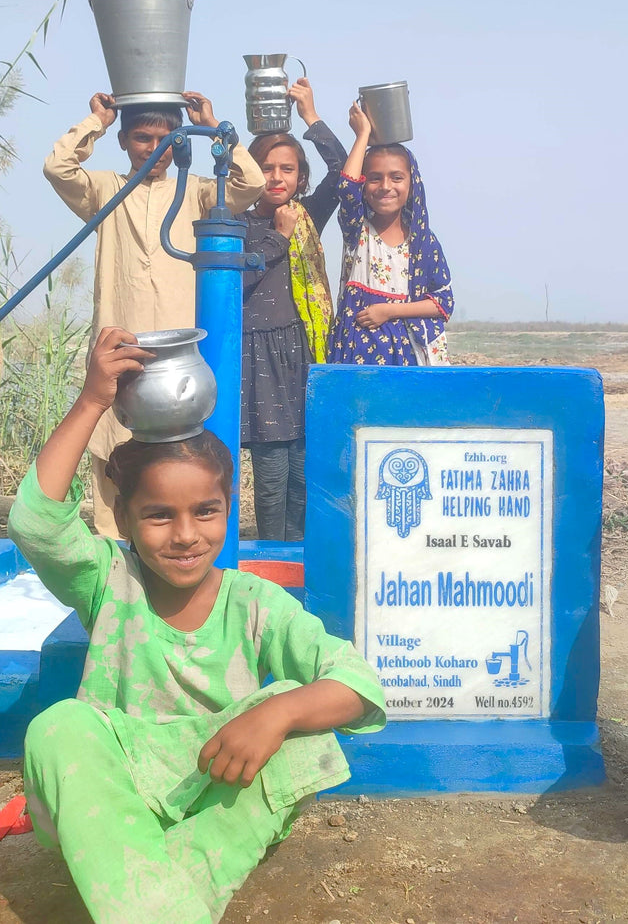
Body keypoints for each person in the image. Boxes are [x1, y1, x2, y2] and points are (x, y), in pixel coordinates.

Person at [8, 327, 385, 923]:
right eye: (158, 516)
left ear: (227, 509)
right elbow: (35, 522)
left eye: (205, 511)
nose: (186, 535)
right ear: (124, 520)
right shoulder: (110, 582)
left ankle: (140, 891)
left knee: (303, 715)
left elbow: (358, 682)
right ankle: (160, 897)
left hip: (217, 791)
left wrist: (275, 714)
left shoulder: (255, 604)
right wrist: (91, 401)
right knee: (60, 725)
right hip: (111, 800)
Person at [43, 91, 266, 539]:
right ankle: (114, 577)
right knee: (111, 459)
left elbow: (250, 184)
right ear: (124, 141)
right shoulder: (107, 189)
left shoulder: (197, 191)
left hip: (178, 361)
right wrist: (97, 121)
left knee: (179, 459)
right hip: (120, 352)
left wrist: (211, 122)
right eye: (143, 138)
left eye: (167, 140)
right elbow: (58, 168)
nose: (155, 148)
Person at [241, 77, 345, 541]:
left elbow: (343, 171)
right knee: (270, 473)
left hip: (303, 350)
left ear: (299, 177)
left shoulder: (307, 215)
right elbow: (238, 279)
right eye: (267, 167)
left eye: (287, 169)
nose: (277, 177)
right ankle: (270, 561)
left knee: (303, 468)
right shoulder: (236, 221)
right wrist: (277, 237)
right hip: (259, 355)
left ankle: (299, 560)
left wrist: (310, 116)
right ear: (249, 172)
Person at [327, 101, 453, 366]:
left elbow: (442, 302)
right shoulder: (358, 230)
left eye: (396, 178)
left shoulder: (424, 242)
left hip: (407, 356)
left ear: (412, 182)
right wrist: (362, 135)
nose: (386, 186)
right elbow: (347, 189)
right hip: (356, 351)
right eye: (375, 178)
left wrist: (389, 311)